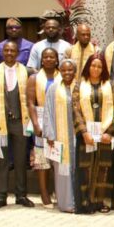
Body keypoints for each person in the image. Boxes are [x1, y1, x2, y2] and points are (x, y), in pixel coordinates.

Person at [0, 40, 34, 210]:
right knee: (2, 160)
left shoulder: (27, 71)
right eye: (6, 51)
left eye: (13, 51)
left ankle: (21, 195)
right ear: (2, 52)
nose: (10, 53)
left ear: (18, 52)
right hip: (0, 124)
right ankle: (1, 196)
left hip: (21, 123)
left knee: (21, 160)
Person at [72, 53, 114, 214]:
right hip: (87, 136)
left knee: (103, 168)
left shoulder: (111, 86)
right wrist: (84, 132)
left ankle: (100, 201)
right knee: (86, 168)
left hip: (104, 134)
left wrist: (109, 132)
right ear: (87, 66)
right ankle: (85, 202)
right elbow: (75, 111)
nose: (96, 69)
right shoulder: (79, 85)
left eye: (99, 66)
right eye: (93, 65)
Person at [25, 47, 59, 207]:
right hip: (41, 120)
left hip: (59, 120)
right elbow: (30, 103)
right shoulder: (34, 78)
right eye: (46, 57)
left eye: (52, 57)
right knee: (42, 159)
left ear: (57, 59)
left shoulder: (63, 75)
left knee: (58, 157)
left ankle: (58, 191)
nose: (49, 59)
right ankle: (44, 194)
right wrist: (36, 124)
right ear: (41, 60)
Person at [43, 59, 77, 213]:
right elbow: (48, 111)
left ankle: (78, 200)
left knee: (78, 168)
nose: (67, 73)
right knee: (62, 170)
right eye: (64, 70)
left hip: (77, 136)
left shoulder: (79, 88)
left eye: (70, 70)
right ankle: (65, 203)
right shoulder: (53, 89)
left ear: (75, 71)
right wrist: (50, 133)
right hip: (60, 135)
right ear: (60, 71)